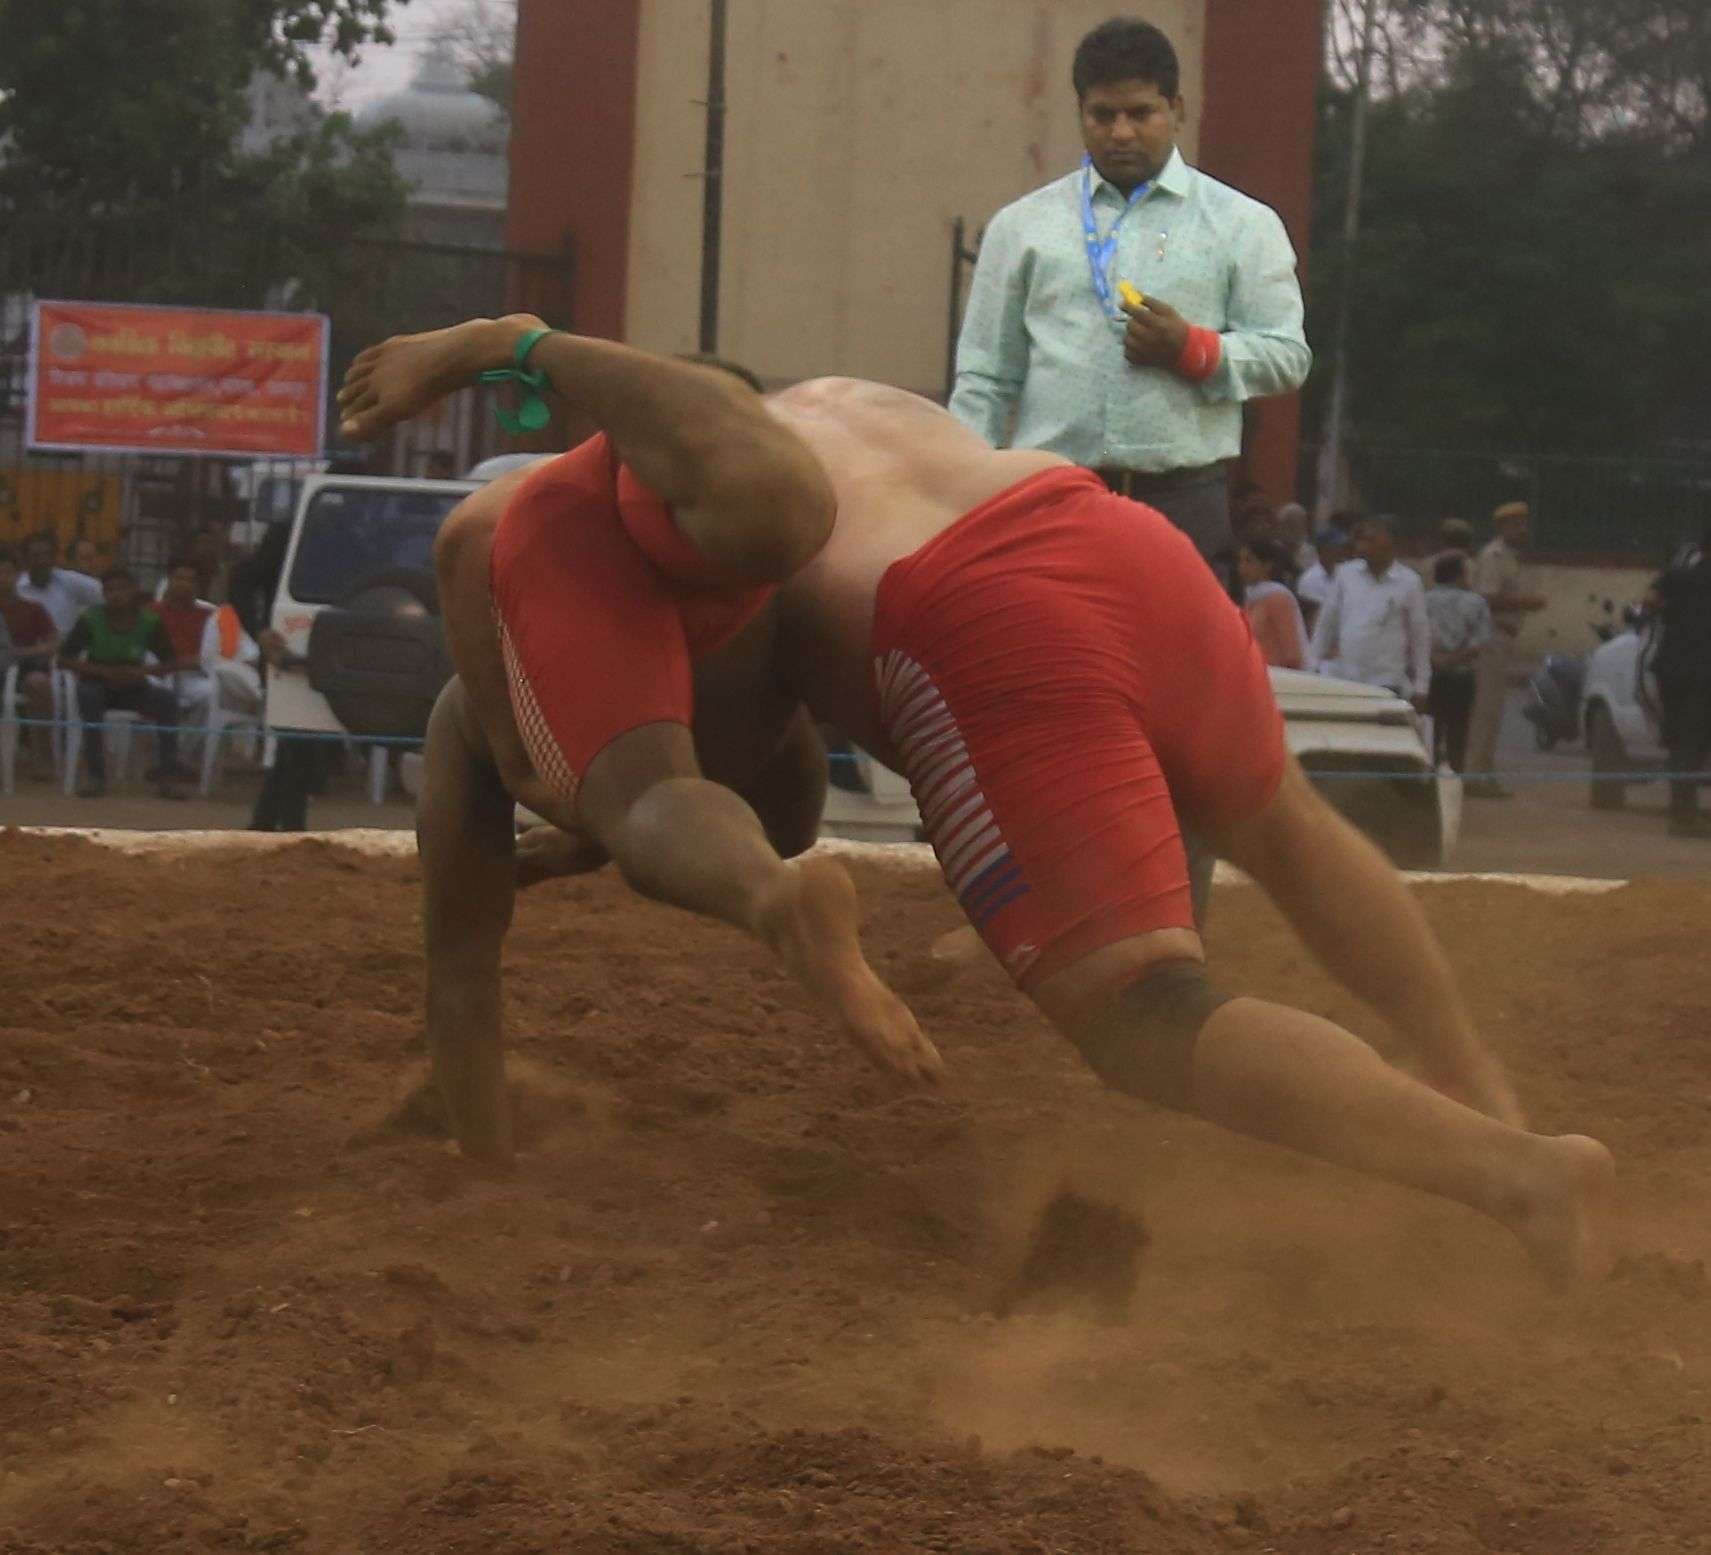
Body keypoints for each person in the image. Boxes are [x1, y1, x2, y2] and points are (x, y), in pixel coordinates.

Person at [337, 314, 1615, 1285]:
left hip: (981, 618)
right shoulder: (842, 406)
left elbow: (711, 773)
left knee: (1141, 1012)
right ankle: (1481, 1088)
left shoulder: (611, 544)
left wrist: (556, 789)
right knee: (1285, 825)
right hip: (1107, 532)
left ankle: (1509, 1170)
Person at [947, 16, 1311, 574]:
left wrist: (1193, 349)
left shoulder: (1242, 223)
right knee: (1051, 659)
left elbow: (1288, 356)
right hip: (1052, 496)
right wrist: (962, 494)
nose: (1120, 132)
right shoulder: (1022, 227)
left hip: (1185, 500)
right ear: (1081, 114)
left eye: (1140, 113)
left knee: (1179, 661)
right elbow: (986, 380)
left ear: (1177, 110)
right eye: (1103, 115)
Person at [59, 567, 193, 799]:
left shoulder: (149, 621)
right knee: (88, 698)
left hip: (135, 686)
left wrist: (142, 671)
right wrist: (103, 671)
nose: (116, 595)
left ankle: (167, 778)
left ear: (134, 591)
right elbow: (64, 659)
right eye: (109, 590)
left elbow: (171, 662)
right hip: (98, 683)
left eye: (122, 589)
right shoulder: (91, 619)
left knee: (167, 701)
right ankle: (96, 777)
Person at [1465, 501, 1546, 800]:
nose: (1522, 529)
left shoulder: (1512, 557)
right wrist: (1526, 603)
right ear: (1502, 527)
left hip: (1505, 637)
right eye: (1516, 524)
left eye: (1524, 523)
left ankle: (1483, 771)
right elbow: (1485, 598)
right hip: (1492, 636)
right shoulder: (1494, 556)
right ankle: (1475, 774)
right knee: (1485, 710)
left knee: (1494, 710)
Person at [1309, 516, 1432, 705]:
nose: (1363, 544)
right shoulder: (1345, 574)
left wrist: (1422, 684)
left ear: (1391, 543)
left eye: (1371, 539)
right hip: (1346, 679)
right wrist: (1313, 663)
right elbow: (1326, 622)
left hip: (1387, 682)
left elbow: (1419, 635)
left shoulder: (1409, 582)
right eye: (1362, 539)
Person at [1649, 528, 1711, 839]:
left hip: (1669, 671)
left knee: (1678, 742)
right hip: (1701, 675)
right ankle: (1684, 817)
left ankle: (1682, 810)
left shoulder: (1678, 576)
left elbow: (1648, 603)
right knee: (1692, 743)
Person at [1424, 554, 1492, 773]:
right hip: (1461, 676)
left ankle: (1426, 778)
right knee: (1458, 734)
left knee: (1429, 731)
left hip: (1430, 674)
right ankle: (1455, 782)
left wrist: (1435, 659)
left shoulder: (1423, 599)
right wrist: (1453, 659)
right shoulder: (1475, 602)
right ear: (1459, 575)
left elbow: (1414, 636)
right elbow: (1479, 643)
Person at [0, 546, 63, 777]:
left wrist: (26, 652)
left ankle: (42, 759)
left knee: (39, 683)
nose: (1, 578)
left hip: (23, 669)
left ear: (17, 575)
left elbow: (54, 642)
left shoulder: (33, 609)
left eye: (6, 572)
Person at [1236, 535, 1309, 669]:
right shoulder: (1251, 598)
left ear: (1267, 565)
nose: (1242, 567)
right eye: (1241, 561)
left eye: (1249, 561)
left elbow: (1293, 654)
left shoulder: (1277, 598)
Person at [17, 532, 102, 637]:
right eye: (36, 556)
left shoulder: (70, 581)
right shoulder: (16, 588)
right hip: (24, 650)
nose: (43, 560)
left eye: (47, 554)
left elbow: (107, 596)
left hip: (67, 650)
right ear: (24, 559)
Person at [1294, 526, 1349, 635]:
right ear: (1323, 550)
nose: (1342, 551)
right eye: (1336, 547)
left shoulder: (1345, 572)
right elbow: (1317, 615)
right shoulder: (1309, 579)